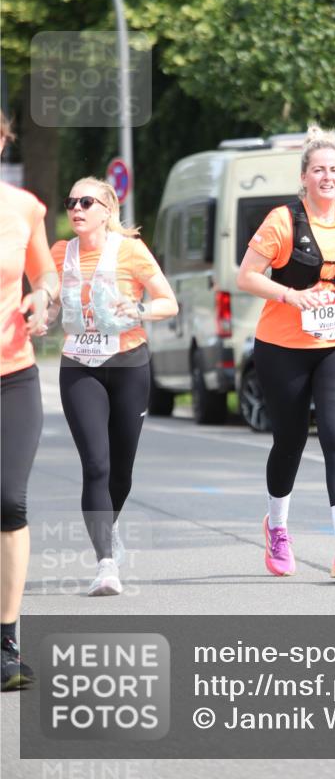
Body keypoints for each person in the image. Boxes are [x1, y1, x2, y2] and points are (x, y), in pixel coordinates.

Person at [237, 125, 335, 580]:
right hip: (283, 347)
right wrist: (289, 295)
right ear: (303, 176)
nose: (327, 176)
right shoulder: (282, 221)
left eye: (334, 170)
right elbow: (247, 276)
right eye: (319, 170)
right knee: (290, 440)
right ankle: (278, 527)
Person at [51, 177, 178, 597]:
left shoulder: (130, 251)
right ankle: (106, 563)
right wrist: (42, 310)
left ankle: (111, 524)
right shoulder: (59, 253)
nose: (77, 208)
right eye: (71, 202)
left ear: (107, 209)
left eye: (86, 201)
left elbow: (168, 302)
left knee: (121, 471)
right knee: (96, 464)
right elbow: (49, 301)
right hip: (79, 366)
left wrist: (138, 307)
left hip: (128, 364)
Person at [1, 112, 59, 690]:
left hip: (13, 372)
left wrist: (42, 301)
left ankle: (6, 642)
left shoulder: (24, 208)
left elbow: (45, 275)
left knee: (7, 500)